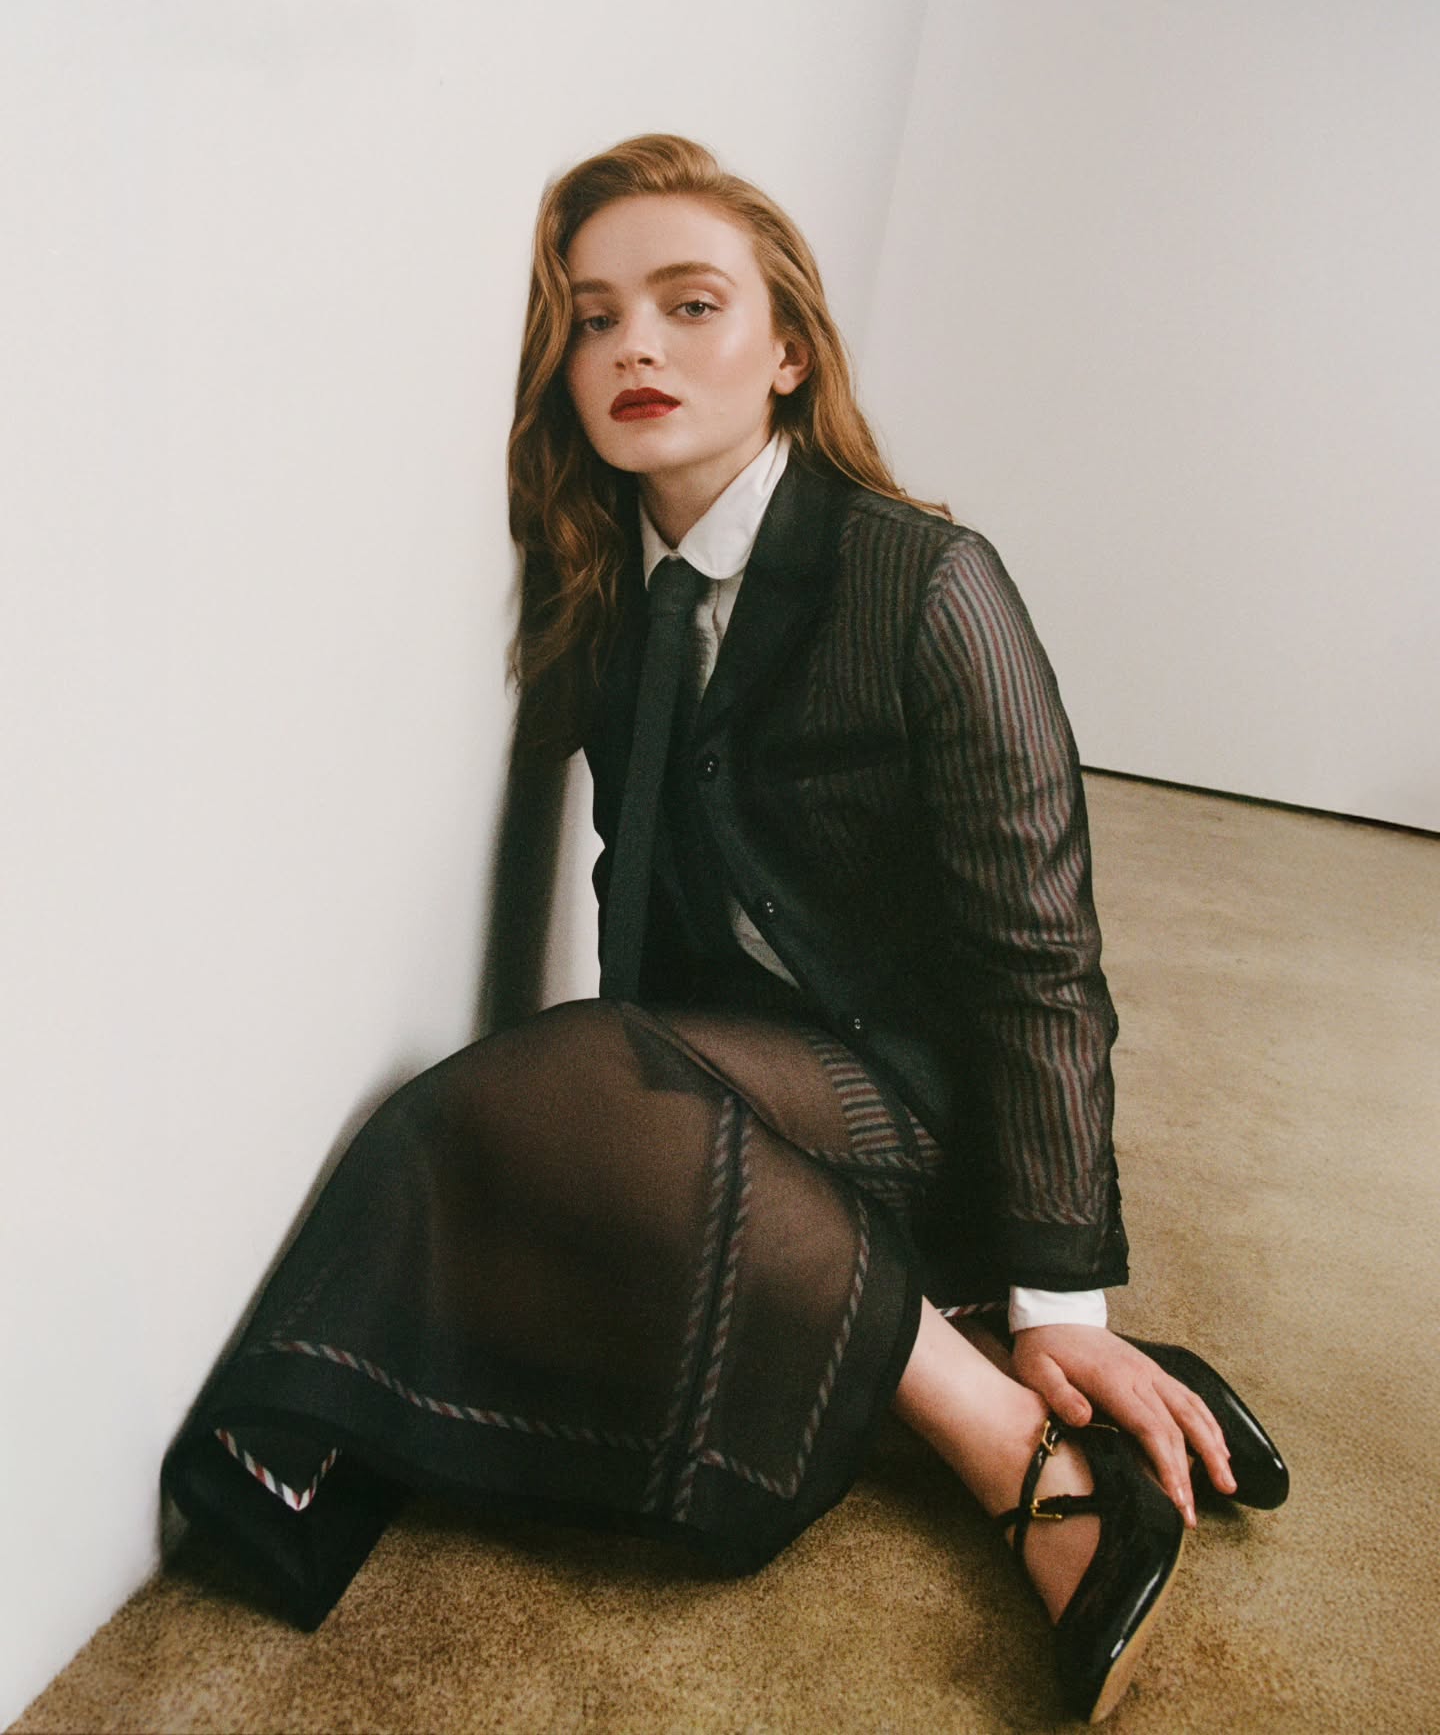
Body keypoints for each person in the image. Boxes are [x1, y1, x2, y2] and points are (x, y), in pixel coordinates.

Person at [162, 133, 1286, 1723]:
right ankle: (299, 1456)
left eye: (690, 305)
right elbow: (634, 896)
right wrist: (654, 1169)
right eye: (593, 319)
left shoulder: (928, 583)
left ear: (788, 352)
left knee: (556, 1073)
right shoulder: (612, 594)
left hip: (922, 1104)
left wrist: (1059, 1305)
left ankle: (1019, 1448)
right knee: (502, 1119)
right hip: (745, 1082)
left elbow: (1043, 967)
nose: (635, 347)